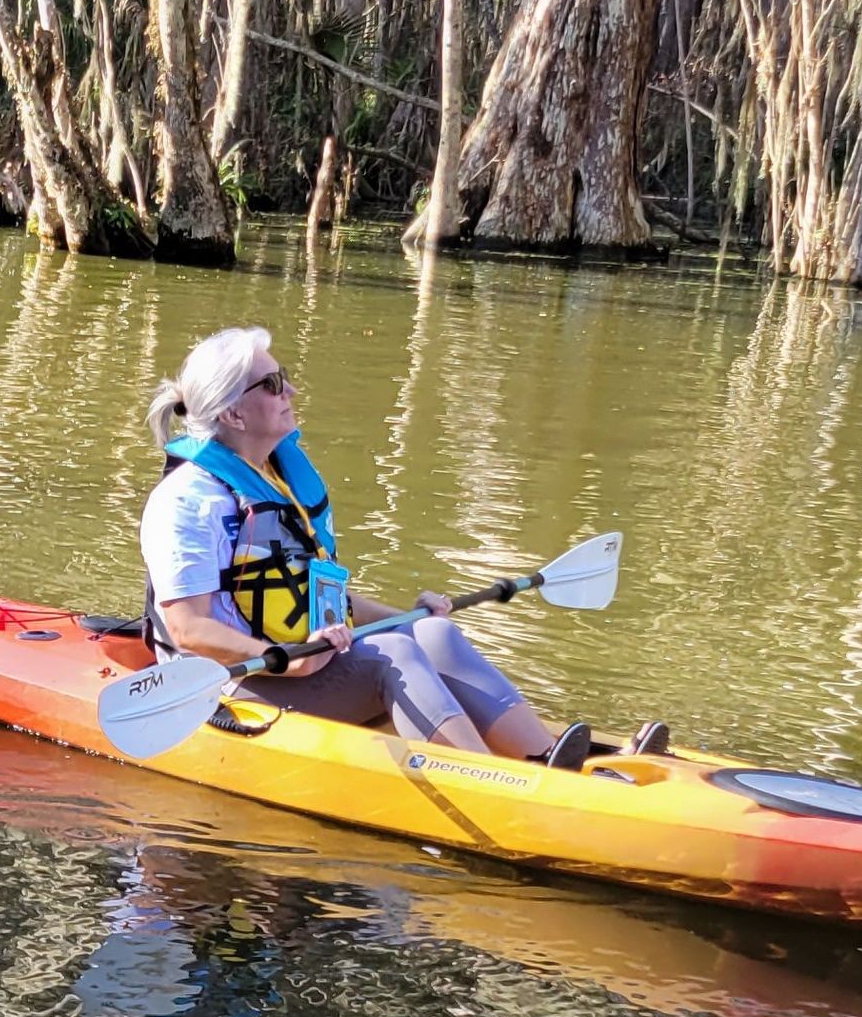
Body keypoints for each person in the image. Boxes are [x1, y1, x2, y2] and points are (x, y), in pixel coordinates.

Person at [140, 325, 613, 766]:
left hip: (307, 659)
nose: (291, 392)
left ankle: (546, 762)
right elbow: (189, 630)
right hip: (234, 686)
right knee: (395, 655)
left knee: (433, 636)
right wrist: (294, 667)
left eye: (283, 379)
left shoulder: (276, 482)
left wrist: (411, 616)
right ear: (232, 413)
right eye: (272, 384)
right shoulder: (187, 502)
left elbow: (319, 596)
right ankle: (494, 786)